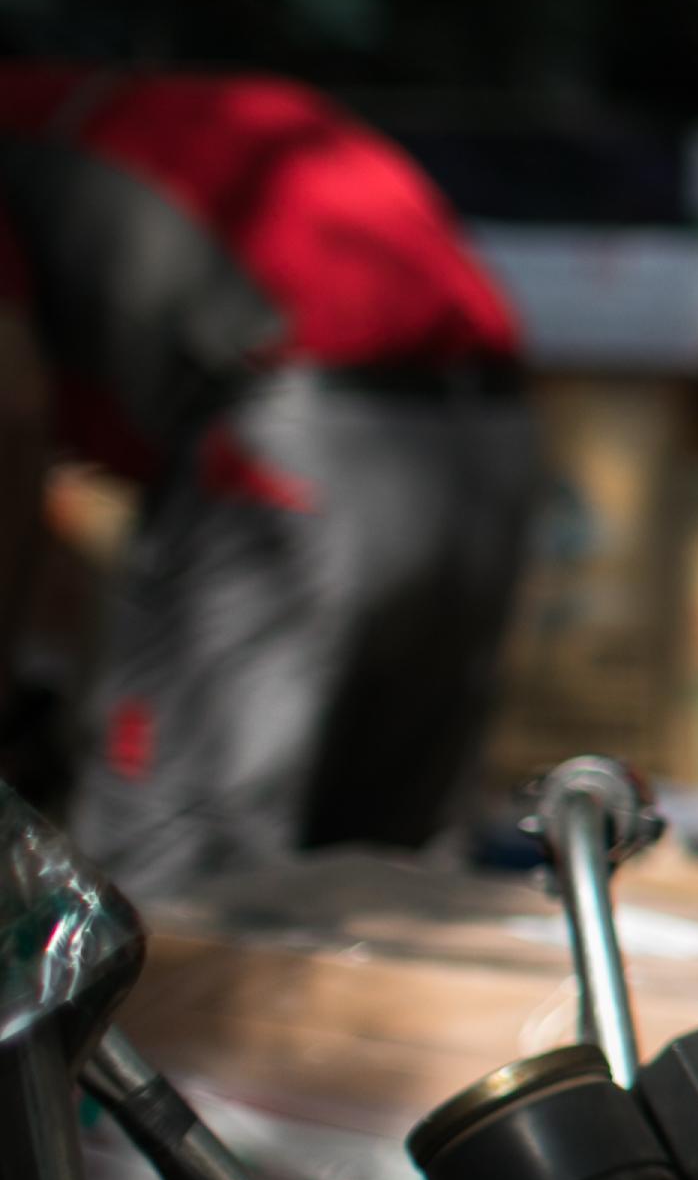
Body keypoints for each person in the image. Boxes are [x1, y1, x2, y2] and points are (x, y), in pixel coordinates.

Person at [0, 67, 535, 894]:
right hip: (487, 434)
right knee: (382, 869)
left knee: (175, 869)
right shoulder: (156, 114)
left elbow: (13, 412)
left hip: (305, 439)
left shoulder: (44, 138)